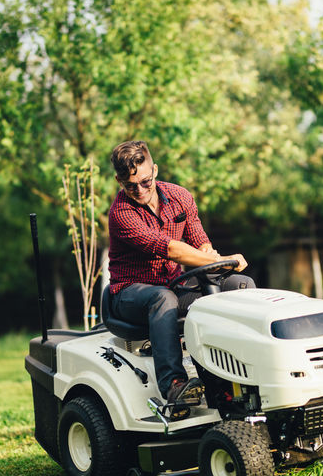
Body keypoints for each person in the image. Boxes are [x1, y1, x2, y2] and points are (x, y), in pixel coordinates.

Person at [106, 140, 254, 411]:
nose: (139, 190)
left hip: (173, 285)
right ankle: (174, 385)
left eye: (145, 181)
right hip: (129, 294)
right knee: (162, 299)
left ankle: (243, 371)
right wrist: (221, 260)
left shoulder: (180, 197)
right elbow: (171, 249)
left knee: (239, 284)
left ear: (156, 171)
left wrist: (212, 256)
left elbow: (200, 242)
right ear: (119, 180)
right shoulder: (121, 213)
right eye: (130, 185)